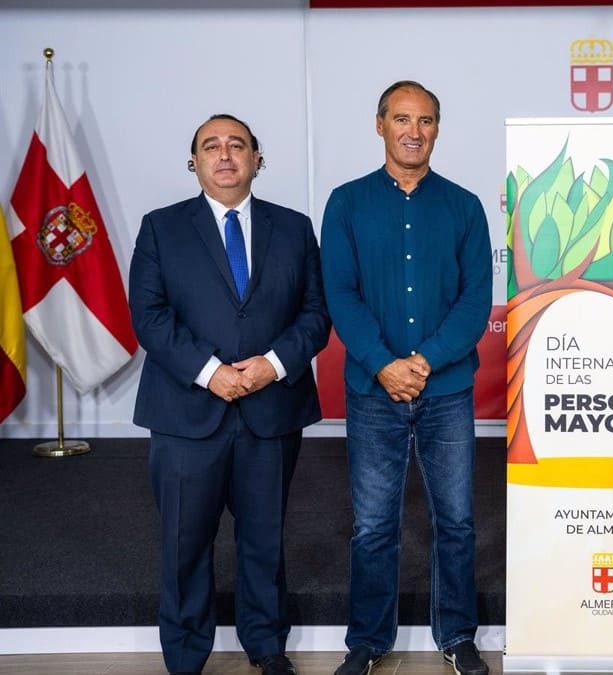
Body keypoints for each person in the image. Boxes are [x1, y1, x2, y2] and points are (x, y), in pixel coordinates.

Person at [129, 114, 331, 675]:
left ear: (257, 159)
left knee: (264, 543)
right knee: (183, 546)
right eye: (210, 147)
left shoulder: (294, 228)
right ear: (192, 162)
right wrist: (211, 372)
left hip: (270, 413)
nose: (224, 155)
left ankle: (266, 647)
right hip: (187, 414)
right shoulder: (160, 228)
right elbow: (149, 315)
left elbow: (316, 315)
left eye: (237, 145)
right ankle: (186, 658)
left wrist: (271, 365)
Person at [321, 80, 492, 675]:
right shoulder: (345, 203)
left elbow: (476, 302)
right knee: (372, 526)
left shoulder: (465, 206)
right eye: (402, 119)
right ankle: (367, 643)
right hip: (373, 392)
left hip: (446, 392)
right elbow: (340, 294)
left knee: (456, 521)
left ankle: (457, 636)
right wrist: (383, 364)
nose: (413, 131)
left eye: (425, 121)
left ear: (437, 129)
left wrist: (422, 364)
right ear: (380, 125)